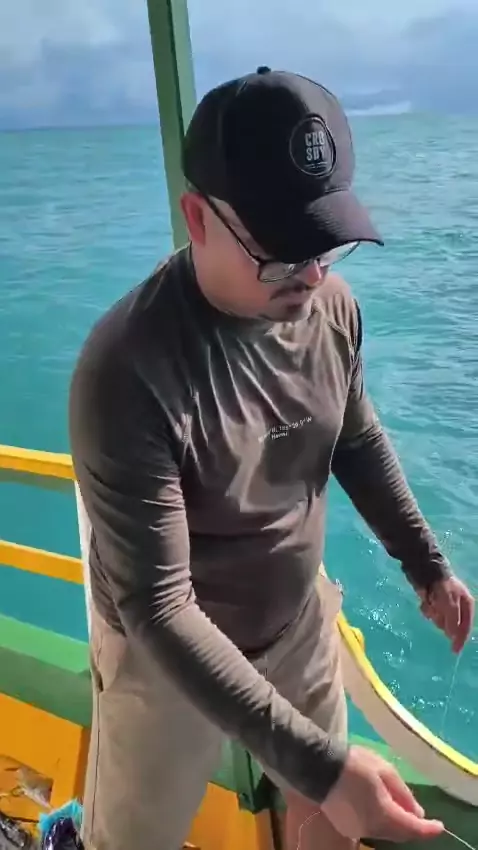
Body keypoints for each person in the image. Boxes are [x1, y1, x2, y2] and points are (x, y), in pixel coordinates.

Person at [69, 67, 474, 850]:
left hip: (296, 623)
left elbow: (355, 437)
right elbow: (159, 607)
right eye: (283, 253)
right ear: (197, 218)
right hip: (166, 661)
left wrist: (425, 563)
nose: (313, 275)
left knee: (329, 821)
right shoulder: (126, 371)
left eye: (326, 241)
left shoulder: (333, 309)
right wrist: (326, 767)